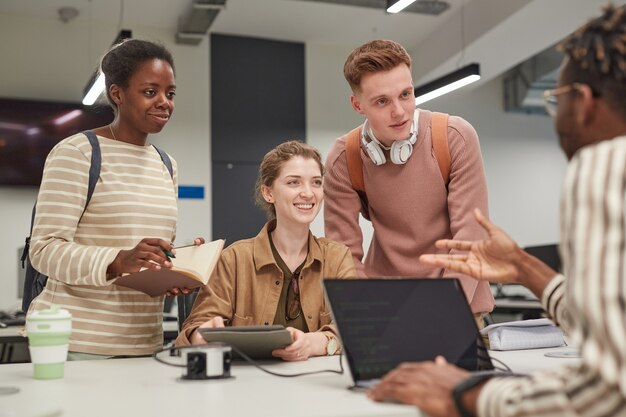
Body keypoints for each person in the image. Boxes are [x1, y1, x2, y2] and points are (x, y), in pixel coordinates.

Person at [369, 4, 626, 416]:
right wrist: (524, 267)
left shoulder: (605, 165)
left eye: (555, 100)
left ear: (583, 102)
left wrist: (467, 394)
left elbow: (608, 391)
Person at [28, 39, 197, 359]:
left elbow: (147, 255)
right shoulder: (77, 152)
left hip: (145, 343)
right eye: (151, 92)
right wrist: (117, 261)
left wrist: (177, 269)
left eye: (170, 93)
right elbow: (44, 249)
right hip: (79, 344)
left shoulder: (166, 165)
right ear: (117, 94)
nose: (164, 102)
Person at [324, 39, 494, 320]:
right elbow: (343, 256)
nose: (399, 111)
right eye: (382, 101)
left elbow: (470, 239)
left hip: (457, 310)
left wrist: (442, 312)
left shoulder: (454, 138)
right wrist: (368, 314)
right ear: (357, 105)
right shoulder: (345, 158)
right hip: (386, 313)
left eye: (406, 94)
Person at [176, 141, 356, 361]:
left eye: (316, 182)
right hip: (246, 387)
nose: (309, 193)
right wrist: (200, 336)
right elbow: (191, 331)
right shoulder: (234, 259)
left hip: (317, 387)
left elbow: (354, 330)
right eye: (294, 182)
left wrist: (310, 344)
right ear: (268, 192)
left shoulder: (337, 258)